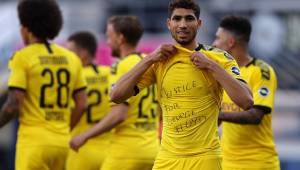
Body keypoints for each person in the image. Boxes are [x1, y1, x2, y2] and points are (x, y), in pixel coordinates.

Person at [109, 0, 253, 169]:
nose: (183, 24)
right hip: (167, 158)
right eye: (177, 19)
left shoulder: (219, 58)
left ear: (198, 24)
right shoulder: (160, 60)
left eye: (189, 19)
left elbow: (246, 101)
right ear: (169, 24)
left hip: (205, 157)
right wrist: (149, 58)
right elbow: (116, 95)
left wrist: (211, 66)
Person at [0, 0, 87, 170]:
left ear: (26, 28)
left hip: (34, 143)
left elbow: (13, 105)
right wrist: (64, 128)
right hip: (62, 143)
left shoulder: (23, 57)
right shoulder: (71, 58)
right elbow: (82, 104)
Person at [70, 16, 159, 170]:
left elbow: (118, 115)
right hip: (153, 150)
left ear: (120, 38)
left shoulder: (121, 67)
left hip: (126, 152)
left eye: (109, 36)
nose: (107, 42)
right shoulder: (151, 64)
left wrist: (84, 136)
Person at [213, 15, 280, 170]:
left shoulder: (261, 71)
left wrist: (219, 115)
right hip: (227, 163)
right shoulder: (223, 73)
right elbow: (219, 118)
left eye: (217, 38)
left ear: (230, 43)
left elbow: (255, 116)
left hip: (258, 163)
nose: (214, 43)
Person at [66, 31, 111, 170]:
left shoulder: (73, 78)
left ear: (83, 53)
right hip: (110, 152)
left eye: (70, 52)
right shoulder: (111, 74)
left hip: (80, 149)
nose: (67, 57)